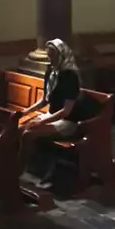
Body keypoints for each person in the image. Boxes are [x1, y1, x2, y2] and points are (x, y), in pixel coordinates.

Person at [19, 38, 99, 185]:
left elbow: (66, 112)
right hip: (52, 116)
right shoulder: (51, 72)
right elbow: (44, 100)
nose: (51, 60)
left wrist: (42, 122)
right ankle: (35, 167)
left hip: (68, 121)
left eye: (54, 56)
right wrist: (26, 112)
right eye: (49, 56)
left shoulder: (70, 76)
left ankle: (22, 170)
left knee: (29, 134)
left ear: (62, 55)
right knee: (21, 128)